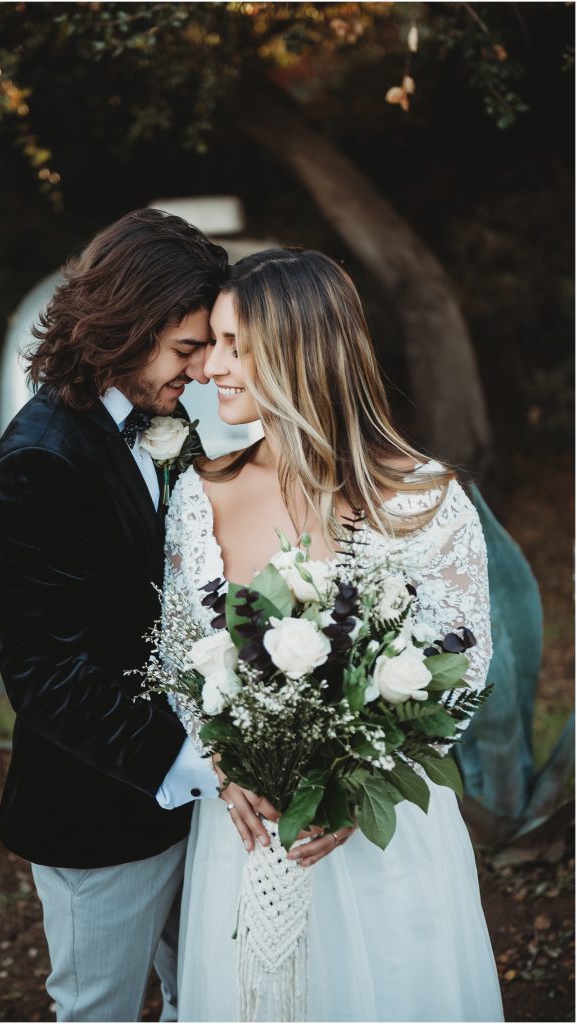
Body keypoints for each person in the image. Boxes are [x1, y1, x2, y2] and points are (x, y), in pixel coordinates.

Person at [164, 248, 505, 1021]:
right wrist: (223, 762)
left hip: (386, 841)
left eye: (234, 346)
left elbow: (464, 673)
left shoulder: (425, 501)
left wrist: (357, 791)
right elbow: (181, 652)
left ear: (298, 353)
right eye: (210, 342)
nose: (209, 366)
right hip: (246, 833)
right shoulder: (200, 492)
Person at [0, 209, 240, 1023]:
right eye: (187, 348)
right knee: (100, 1011)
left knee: (207, 996)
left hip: (195, 807)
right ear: (127, 324)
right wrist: (190, 761)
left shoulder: (156, 419)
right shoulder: (38, 463)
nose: (199, 373)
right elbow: (46, 673)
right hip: (98, 813)